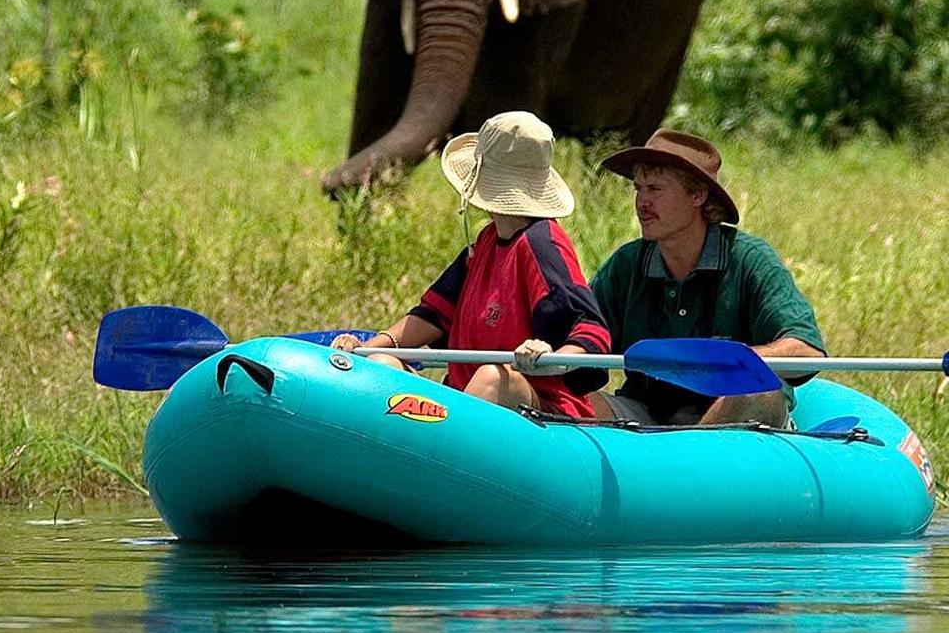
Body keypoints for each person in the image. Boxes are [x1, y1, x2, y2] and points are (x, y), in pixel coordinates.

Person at [333, 111, 611, 417]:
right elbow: (435, 315)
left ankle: (439, 449)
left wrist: (553, 358)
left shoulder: (543, 242)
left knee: (492, 376)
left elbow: (590, 328)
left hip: (539, 410)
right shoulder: (487, 241)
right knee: (382, 364)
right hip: (463, 401)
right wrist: (370, 348)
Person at [589, 129, 824, 427]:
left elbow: (807, 349)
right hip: (646, 417)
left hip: (734, 417)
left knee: (759, 392)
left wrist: (727, 362)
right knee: (578, 404)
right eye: (639, 189)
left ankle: (688, 463)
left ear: (698, 195)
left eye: (655, 189)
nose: (642, 202)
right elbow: (583, 335)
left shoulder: (750, 258)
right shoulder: (627, 264)